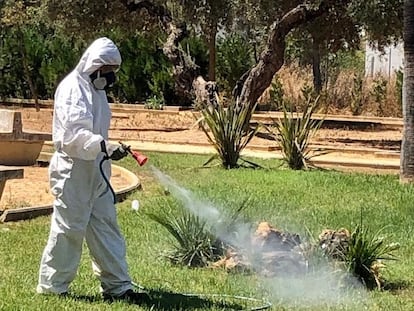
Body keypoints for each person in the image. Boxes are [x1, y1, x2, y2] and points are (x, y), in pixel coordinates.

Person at [37, 37, 146, 303]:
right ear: (95, 65)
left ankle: (118, 287)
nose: (110, 78)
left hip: (97, 171)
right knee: (69, 230)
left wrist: (106, 148)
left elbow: (96, 133)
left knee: (106, 227)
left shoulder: (97, 92)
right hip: (73, 171)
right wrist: (104, 146)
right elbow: (73, 136)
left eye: (113, 72)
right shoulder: (72, 89)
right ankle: (53, 287)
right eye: (107, 71)